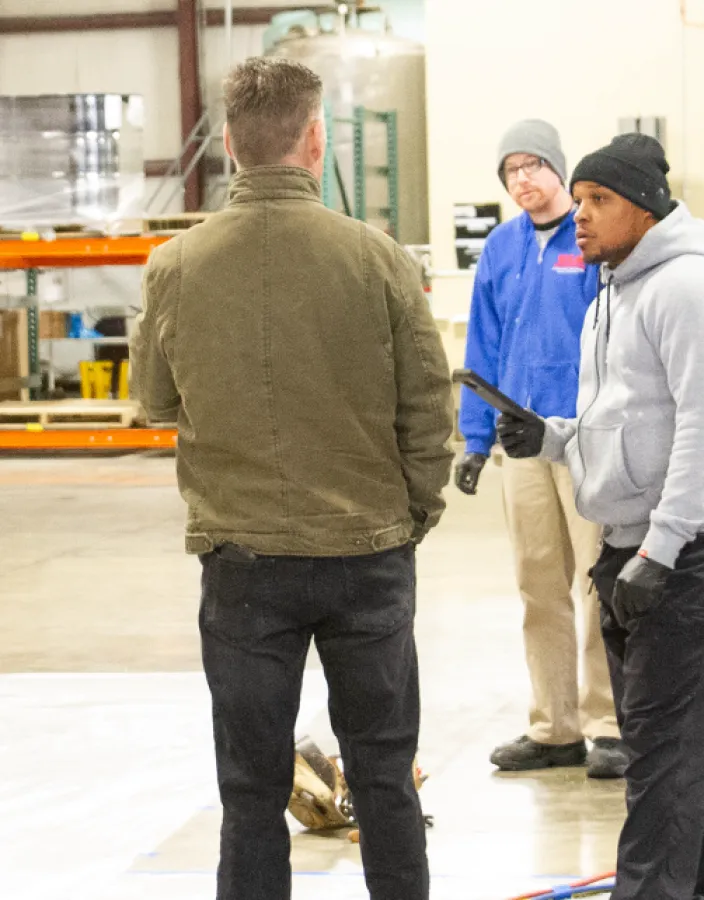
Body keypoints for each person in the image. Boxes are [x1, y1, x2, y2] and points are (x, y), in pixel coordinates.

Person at [132, 57, 451, 900]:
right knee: (383, 775)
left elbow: (154, 401)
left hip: (243, 563)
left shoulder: (174, 267)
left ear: (230, 145)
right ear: (315, 140)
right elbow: (428, 410)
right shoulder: (378, 258)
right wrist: (411, 514)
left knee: (250, 790)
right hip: (368, 553)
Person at [495, 133, 704, 900]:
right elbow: (631, 418)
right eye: (577, 200)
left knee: (661, 758)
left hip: (690, 550)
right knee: (668, 745)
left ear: (644, 208)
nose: (580, 217)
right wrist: (553, 437)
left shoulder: (691, 289)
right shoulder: (616, 285)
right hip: (633, 544)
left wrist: (663, 551)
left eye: (598, 201)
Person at [457, 120, 623, 779]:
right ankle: (554, 727)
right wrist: (474, 441)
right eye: (510, 171)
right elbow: (483, 348)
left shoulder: (590, 239)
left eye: (533, 166)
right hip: (518, 442)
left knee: (596, 582)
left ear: (559, 169)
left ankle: (608, 724)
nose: (523, 180)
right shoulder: (501, 247)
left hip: (582, 438)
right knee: (537, 582)